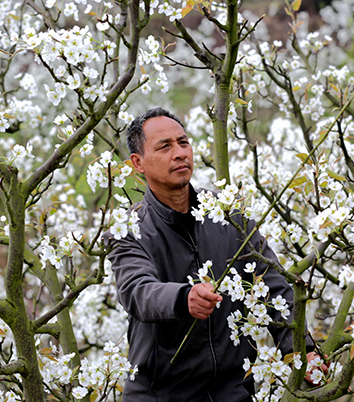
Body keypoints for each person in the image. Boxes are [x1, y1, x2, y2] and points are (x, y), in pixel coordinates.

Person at [106, 107, 318, 402]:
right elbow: (137, 292)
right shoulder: (128, 229)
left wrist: (301, 347)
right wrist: (183, 298)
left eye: (183, 142)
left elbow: (272, 282)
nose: (180, 153)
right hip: (159, 394)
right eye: (165, 146)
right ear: (138, 163)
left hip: (232, 391)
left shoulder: (227, 212)